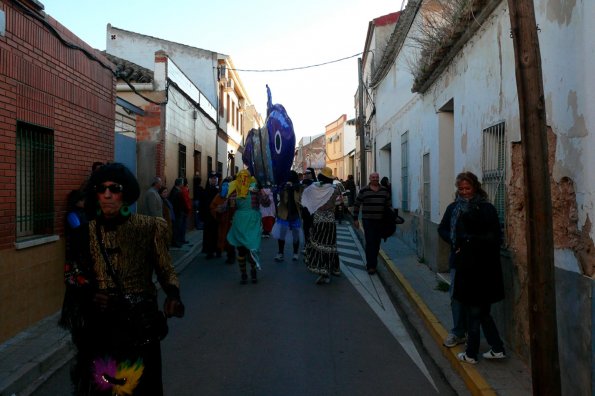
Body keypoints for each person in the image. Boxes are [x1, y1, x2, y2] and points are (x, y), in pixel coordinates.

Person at [59, 162, 184, 395]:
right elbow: (72, 274)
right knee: (104, 387)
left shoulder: (149, 228)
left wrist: (173, 294)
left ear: (125, 193)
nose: (107, 194)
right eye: (101, 189)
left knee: (142, 387)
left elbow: (165, 268)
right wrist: (91, 293)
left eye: (114, 188)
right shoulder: (82, 235)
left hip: (140, 326)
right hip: (102, 328)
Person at [437, 171, 506, 364]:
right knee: (469, 306)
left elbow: (492, 238)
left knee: (475, 311)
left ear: (475, 187)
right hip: (464, 263)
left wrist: (465, 243)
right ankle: (489, 345)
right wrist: (455, 244)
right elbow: (443, 228)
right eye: (461, 189)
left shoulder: (484, 209)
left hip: (477, 267)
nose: (465, 192)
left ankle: (471, 353)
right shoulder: (454, 208)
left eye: (468, 188)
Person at [302, 167, 341, 284]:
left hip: (318, 220)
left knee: (318, 246)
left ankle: (322, 271)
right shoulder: (335, 189)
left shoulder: (314, 189)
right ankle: (332, 269)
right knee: (330, 246)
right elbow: (339, 203)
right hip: (330, 221)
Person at [226, 170, 262, 284]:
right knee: (248, 248)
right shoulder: (249, 190)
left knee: (245, 249)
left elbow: (231, 207)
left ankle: (246, 274)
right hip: (247, 221)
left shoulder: (235, 190)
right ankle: (249, 273)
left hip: (244, 221)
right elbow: (266, 202)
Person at [352, 172, 392, 275]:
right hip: (368, 221)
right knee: (370, 243)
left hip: (380, 221)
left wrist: (389, 221)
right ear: (370, 179)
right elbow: (357, 204)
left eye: (377, 177)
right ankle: (371, 266)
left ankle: (373, 262)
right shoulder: (364, 190)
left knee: (377, 243)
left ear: (378, 178)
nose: (375, 179)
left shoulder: (384, 190)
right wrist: (355, 218)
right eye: (373, 177)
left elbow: (388, 206)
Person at [273, 170, 302, 262]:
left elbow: (301, 200)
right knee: (282, 234)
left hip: (295, 214)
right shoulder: (283, 187)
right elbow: (278, 196)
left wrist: (294, 188)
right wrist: (283, 187)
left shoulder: (298, 188)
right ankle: (280, 253)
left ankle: (295, 253)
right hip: (284, 214)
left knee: (296, 235)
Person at [209, 177, 236, 264]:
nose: (225, 187)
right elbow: (212, 207)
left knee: (231, 240)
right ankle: (221, 251)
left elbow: (237, 207)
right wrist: (218, 209)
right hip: (222, 222)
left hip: (231, 222)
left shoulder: (233, 195)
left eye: (227, 185)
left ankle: (231, 256)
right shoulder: (219, 195)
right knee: (222, 238)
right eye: (224, 185)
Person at [201, 171, 220, 259]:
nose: (213, 180)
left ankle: (218, 250)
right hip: (208, 217)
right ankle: (209, 252)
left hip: (217, 216)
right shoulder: (206, 191)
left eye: (215, 179)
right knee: (209, 234)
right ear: (209, 180)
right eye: (212, 179)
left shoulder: (219, 190)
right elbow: (203, 204)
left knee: (217, 233)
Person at [300, 168, 317, 249]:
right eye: (305, 174)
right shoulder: (302, 183)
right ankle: (307, 244)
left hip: (314, 210)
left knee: (313, 228)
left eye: (308, 173)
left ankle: (313, 244)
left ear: (312, 174)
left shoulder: (316, 183)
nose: (306, 175)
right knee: (306, 228)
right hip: (305, 210)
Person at [168, 178, 186, 248]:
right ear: (180, 184)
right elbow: (174, 203)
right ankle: (175, 242)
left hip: (178, 212)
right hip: (177, 213)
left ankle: (177, 241)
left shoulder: (176, 190)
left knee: (177, 228)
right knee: (176, 228)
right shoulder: (175, 191)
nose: (183, 184)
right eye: (182, 183)